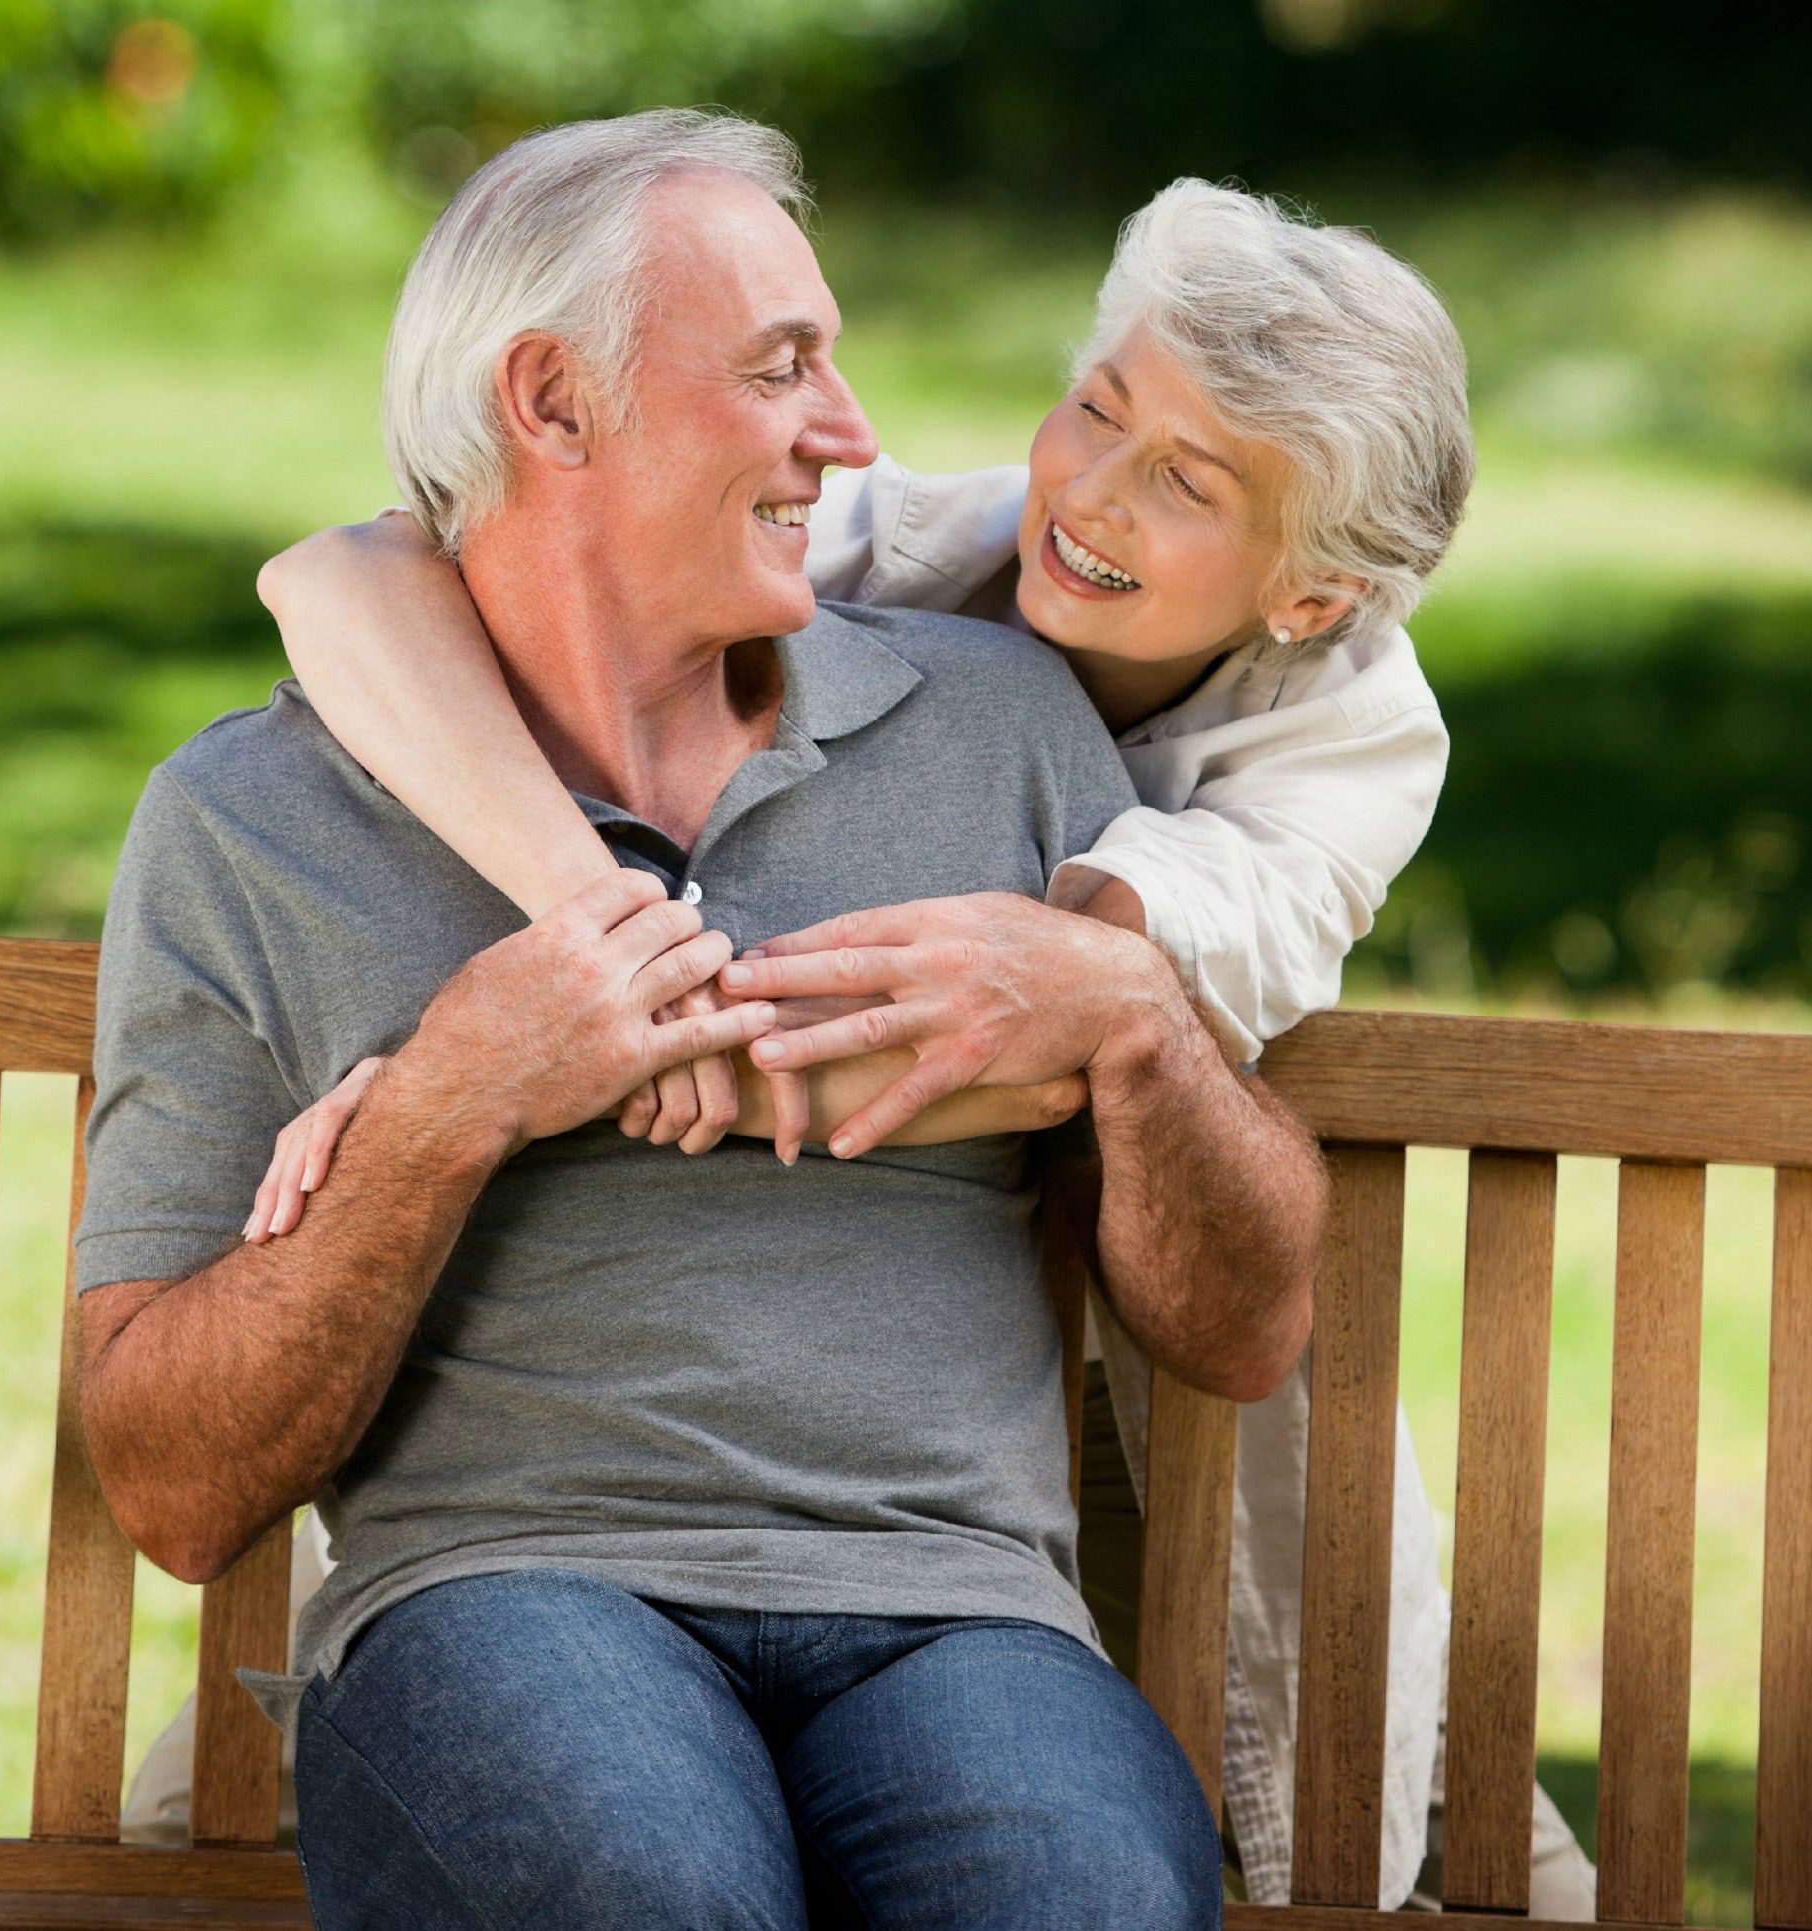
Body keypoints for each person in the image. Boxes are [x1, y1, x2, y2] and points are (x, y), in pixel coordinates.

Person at [227, 178, 1596, 1912]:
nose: (1090, 492)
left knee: (1403, 1838)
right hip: (776, 1368)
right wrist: (583, 942)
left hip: (1096, 1363)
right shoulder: (910, 551)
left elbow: (1029, 1036)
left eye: (1187, 481)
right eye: (1099, 406)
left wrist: (490, 1074)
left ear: (1312, 596)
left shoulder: (1346, 745)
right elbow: (344, 579)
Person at [75, 109, 1327, 1930]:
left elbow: (1242, 1324)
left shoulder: (1002, 730)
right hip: (505, 1599)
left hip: (957, 1618)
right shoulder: (251, 823)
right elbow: (170, 1489)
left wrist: (1140, 1023)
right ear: (555, 405)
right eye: (780, 368)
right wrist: (449, 1107)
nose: (855, 433)